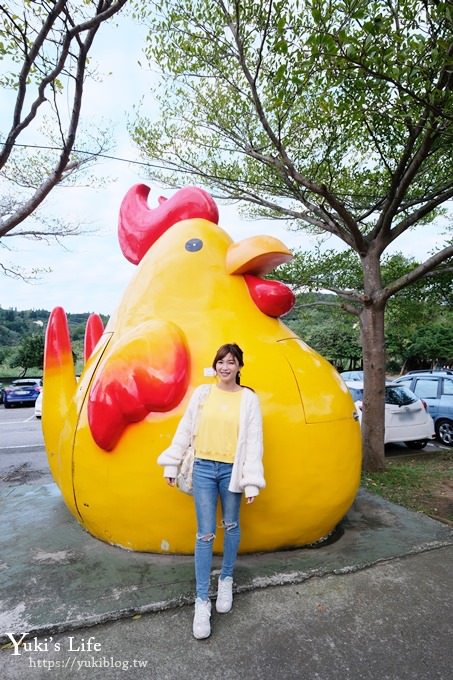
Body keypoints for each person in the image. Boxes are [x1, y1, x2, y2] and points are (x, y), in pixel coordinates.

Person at [157, 343, 265, 639]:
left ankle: (227, 579)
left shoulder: (248, 399)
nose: (225, 367)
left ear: (240, 366)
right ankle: (202, 601)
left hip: (232, 470)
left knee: (231, 525)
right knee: (205, 533)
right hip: (203, 467)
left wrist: (252, 480)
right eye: (221, 361)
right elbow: (184, 428)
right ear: (215, 365)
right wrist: (171, 464)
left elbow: (254, 442)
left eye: (231, 362)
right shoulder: (203, 394)